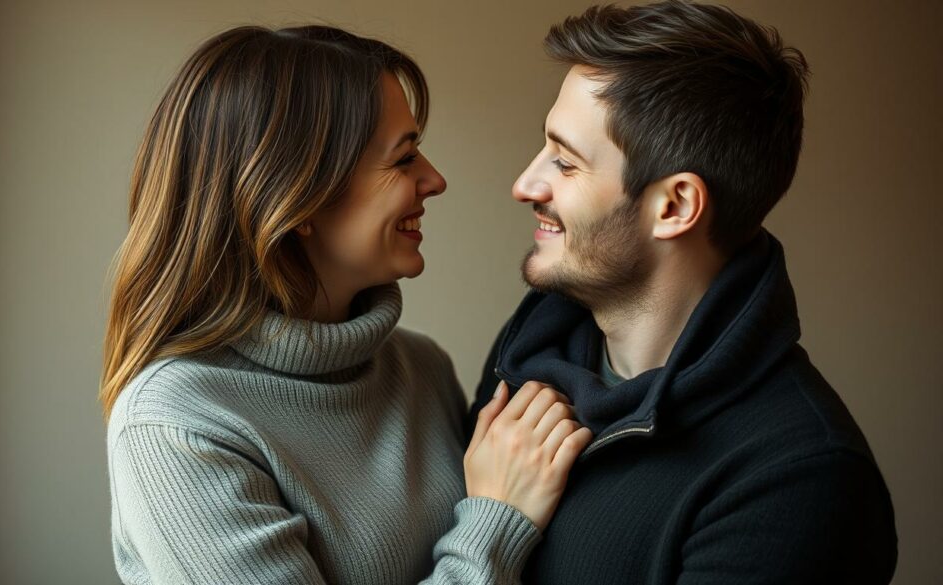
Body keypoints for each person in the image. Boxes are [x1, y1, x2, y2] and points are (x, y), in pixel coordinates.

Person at [100, 25, 592, 584]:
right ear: (297, 198)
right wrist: (498, 522)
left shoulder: (421, 369)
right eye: (404, 159)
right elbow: (491, 529)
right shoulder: (176, 426)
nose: (435, 179)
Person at [467, 2, 898, 583]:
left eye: (565, 163)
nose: (525, 184)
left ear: (674, 207)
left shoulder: (800, 480)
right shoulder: (527, 357)